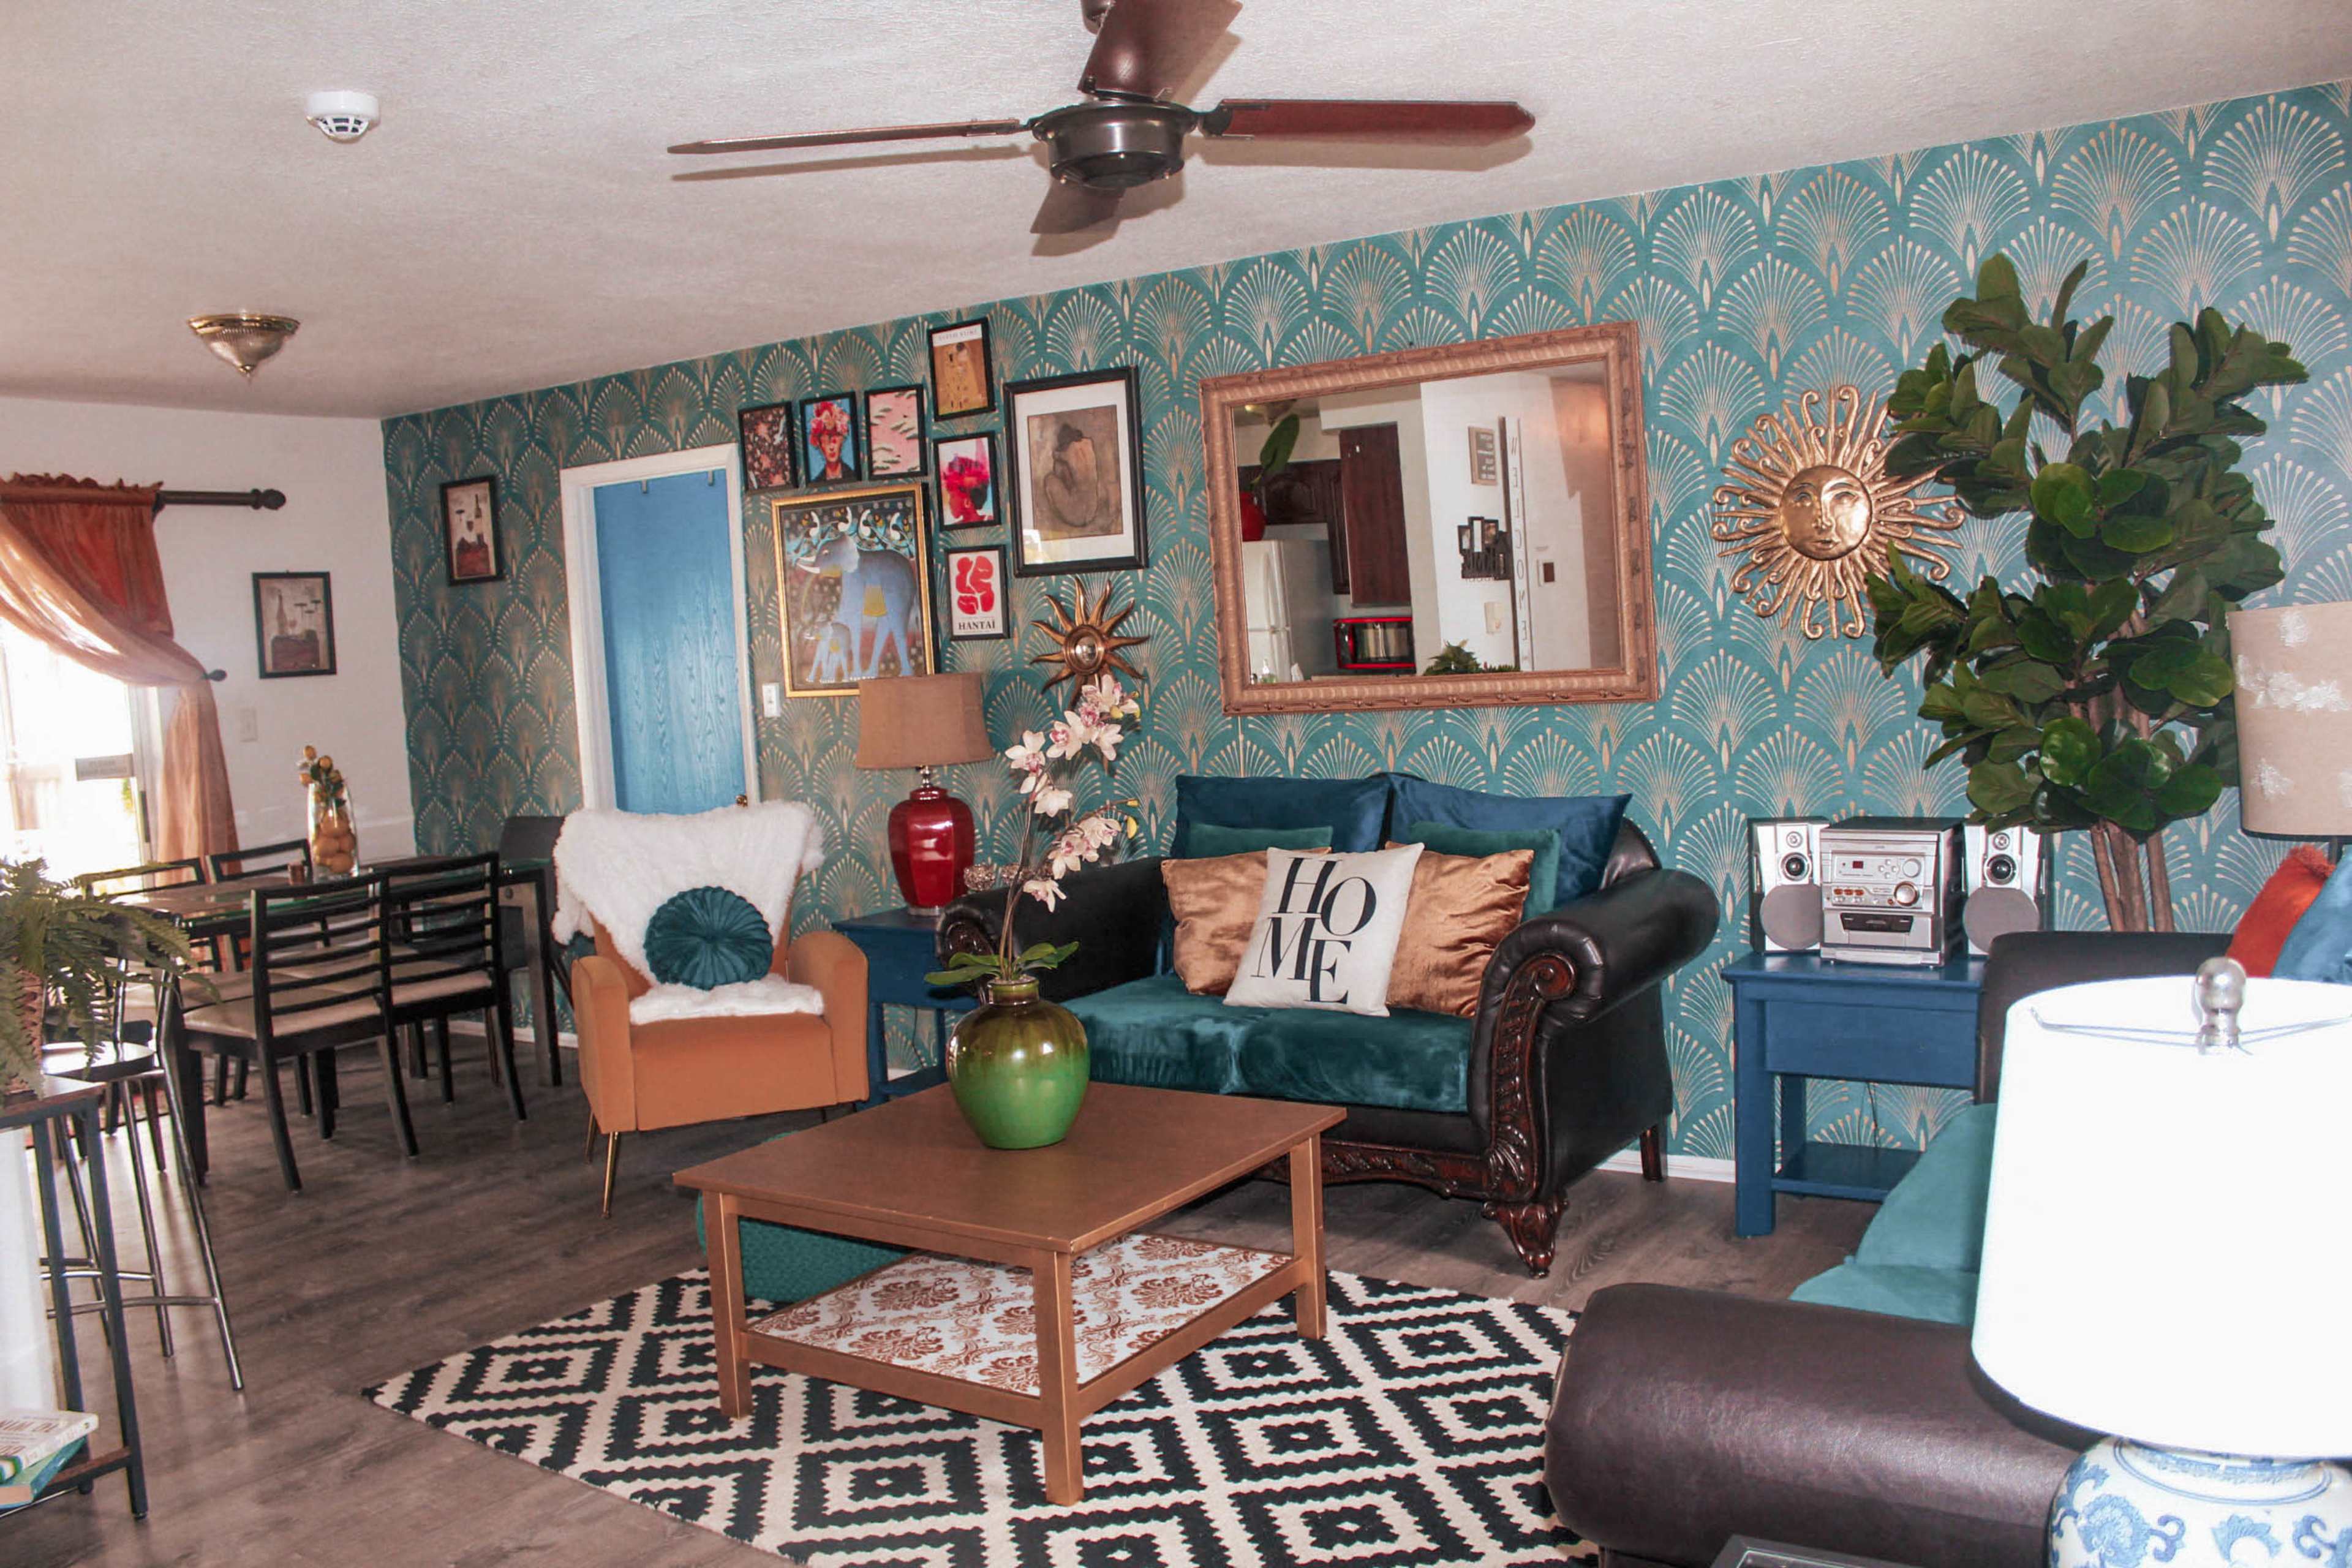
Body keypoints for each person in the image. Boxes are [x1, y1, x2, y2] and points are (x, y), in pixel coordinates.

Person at [808, 400, 855, 482]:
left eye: (835, 440)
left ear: (842, 440)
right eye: (826, 440)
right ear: (819, 444)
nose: (831, 447)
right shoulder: (817, 482)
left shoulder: (853, 476)